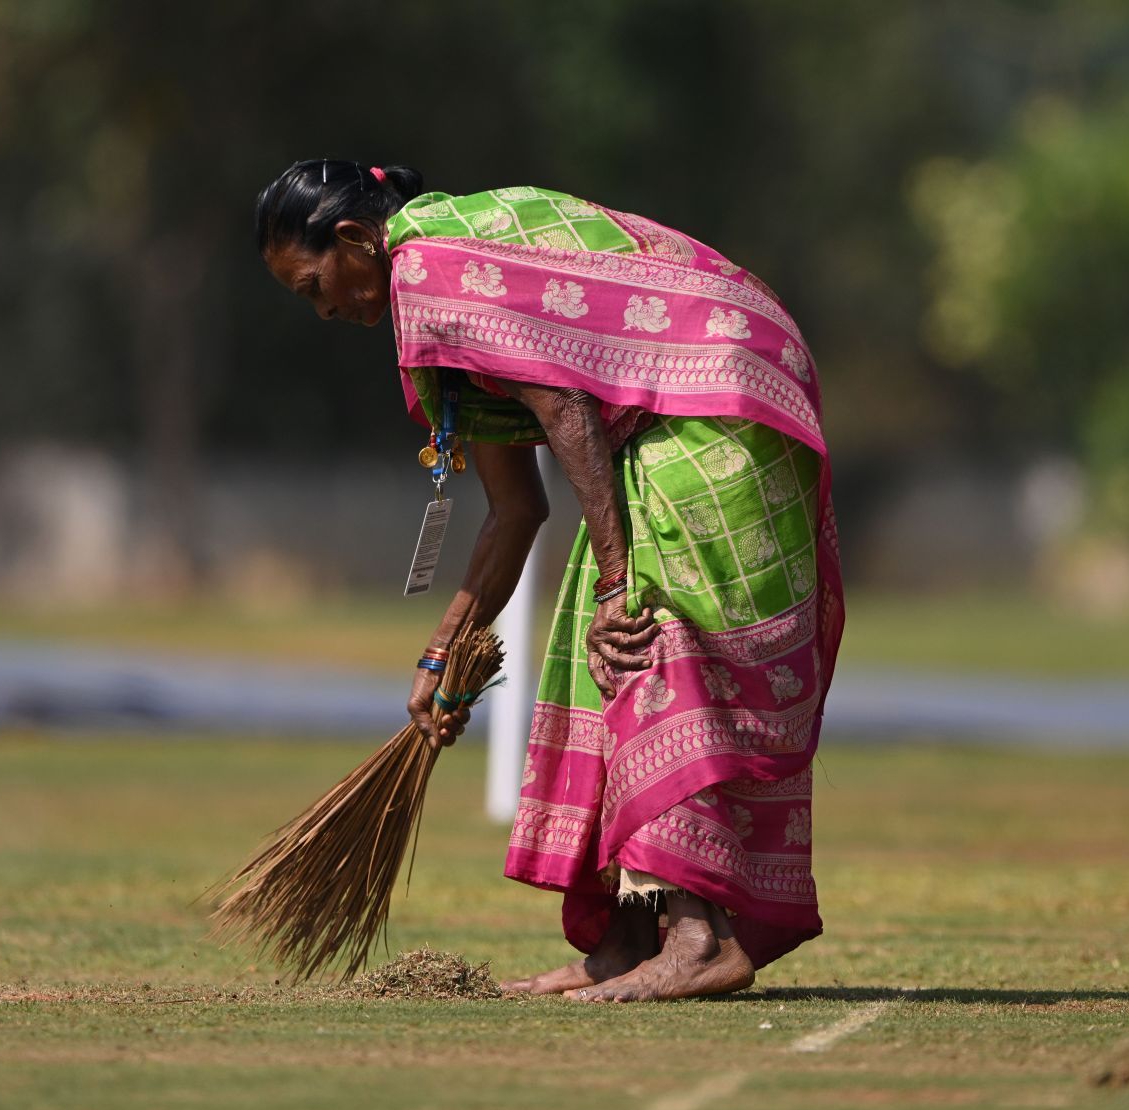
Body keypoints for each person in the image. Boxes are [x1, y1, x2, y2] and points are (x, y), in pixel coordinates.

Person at [255, 159, 841, 1002]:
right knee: (581, 643)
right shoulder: (437, 292)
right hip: (696, 399)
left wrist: (617, 586)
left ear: (352, 239)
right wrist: (442, 656)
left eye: (318, 284)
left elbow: (565, 410)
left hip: (723, 394)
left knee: (640, 629)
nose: (325, 309)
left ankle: (699, 938)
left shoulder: (433, 267)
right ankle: (630, 939)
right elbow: (515, 508)